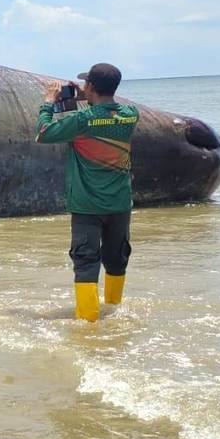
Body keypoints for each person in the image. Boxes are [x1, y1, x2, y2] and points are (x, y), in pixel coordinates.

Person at [35, 63, 138, 322]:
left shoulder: (82, 120)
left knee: (85, 262)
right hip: (119, 205)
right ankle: (114, 311)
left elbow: (43, 133)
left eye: (87, 85)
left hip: (87, 206)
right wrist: (89, 97)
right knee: (116, 260)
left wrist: (48, 102)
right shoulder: (130, 115)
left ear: (91, 86)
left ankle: (89, 324)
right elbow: (108, 112)